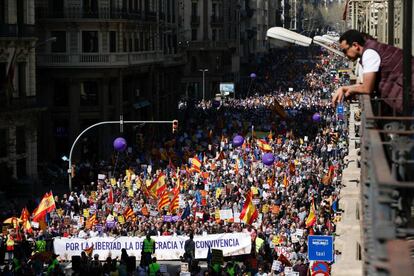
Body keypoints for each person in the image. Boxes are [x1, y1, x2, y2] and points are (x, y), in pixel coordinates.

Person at [332, 29, 414, 114]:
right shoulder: (371, 49)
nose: (345, 55)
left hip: (410, 98)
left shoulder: (369, 54)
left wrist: (345, 88)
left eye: (345, 51)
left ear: (355, 45)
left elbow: (367, 88)